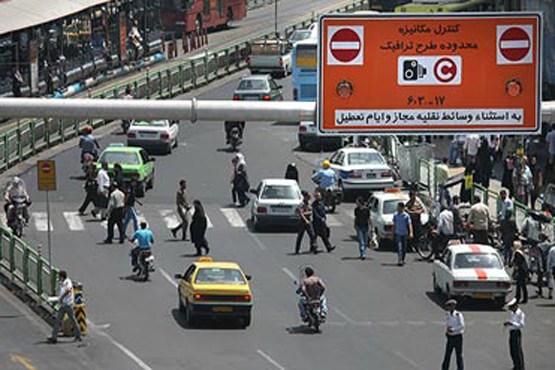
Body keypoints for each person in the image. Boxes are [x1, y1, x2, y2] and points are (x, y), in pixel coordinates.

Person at [47, 270, 82, 343]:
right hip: (63, 305)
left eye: (59, 277)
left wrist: (62, 297)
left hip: (68, 305)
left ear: (62, 277)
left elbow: (68, 290)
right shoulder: (62, 283)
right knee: (57, 321)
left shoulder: (68, 282)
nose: (59, 278)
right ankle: (54, 337)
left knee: (73, 320)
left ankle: (78, 335)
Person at [441, 299, 464, 370]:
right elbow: (448, 324)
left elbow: (462, 326)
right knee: (447, 354)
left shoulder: (458, 315)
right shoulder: (447, 315)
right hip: (450, 337)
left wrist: (453, 329)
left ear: (454, 306)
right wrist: (447, 331)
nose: (450, 308)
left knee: (458, 355)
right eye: (449, 306)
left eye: (451, 306)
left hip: (457, 337)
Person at [503, 298, 525, 370]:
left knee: (518, 351)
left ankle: (521, 367)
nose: (511, 309)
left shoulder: (520, 313)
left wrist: (512, 323)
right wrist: (508, 323)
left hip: (516, 333)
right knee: (513, 351)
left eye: (511, 307)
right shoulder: (513, 313)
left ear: (515, 306)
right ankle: (516, 366)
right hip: (512, 332)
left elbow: (521, 325)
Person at [393, 202, 412, 266]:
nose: (397, 208)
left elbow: (409, 224)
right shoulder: (395, 215)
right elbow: (394, 224)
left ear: (402, 208)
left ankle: (403, 259)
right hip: (398, 233)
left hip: (404, 233)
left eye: (398, 207)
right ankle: (400, 260)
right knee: (399, 247)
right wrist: (392, 233)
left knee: (404, 248)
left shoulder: (406, 216)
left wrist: (411, 232)